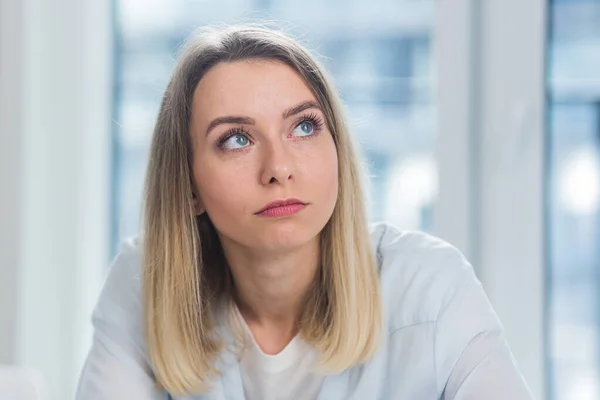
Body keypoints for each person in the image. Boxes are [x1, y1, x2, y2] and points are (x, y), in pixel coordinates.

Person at [76, 24, 534, 400]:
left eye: (304, 126)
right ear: (188, 185)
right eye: (236, 138)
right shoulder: (143, 283)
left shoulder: (429, 286)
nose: (279, 169)